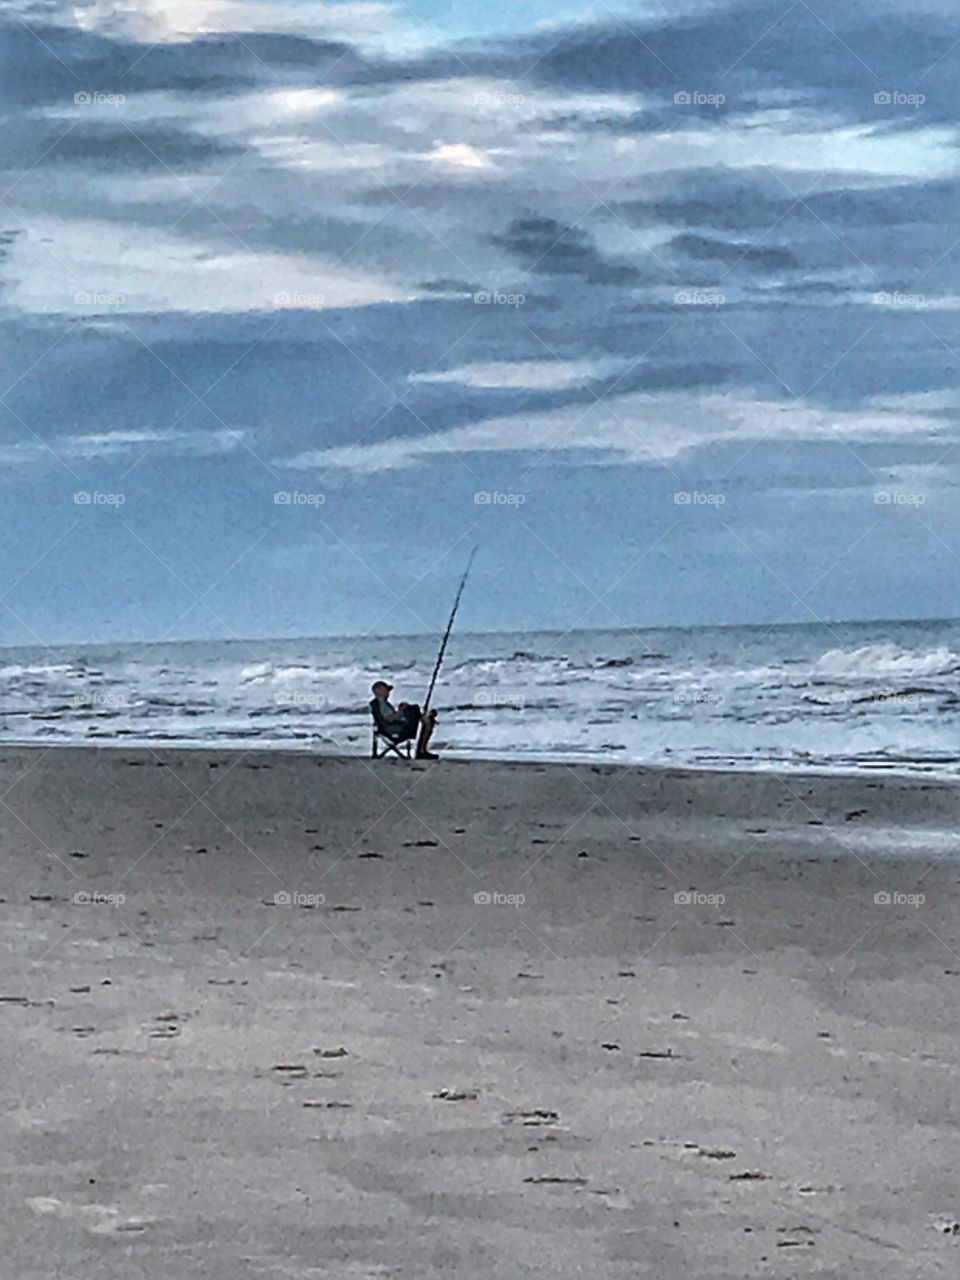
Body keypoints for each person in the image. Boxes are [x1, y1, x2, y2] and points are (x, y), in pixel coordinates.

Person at [370, 680, 439, 759]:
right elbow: (390, 719)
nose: (389, 693)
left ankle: (424, 718)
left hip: (394, 727)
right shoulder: (381, 703)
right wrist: (401, 710)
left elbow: (390, 717)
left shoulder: (381, 703)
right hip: (396, 730)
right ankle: (421, 749)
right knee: (415, 709)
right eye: (387, 690)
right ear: (379, 691)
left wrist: (401, 711)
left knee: (416, 712)